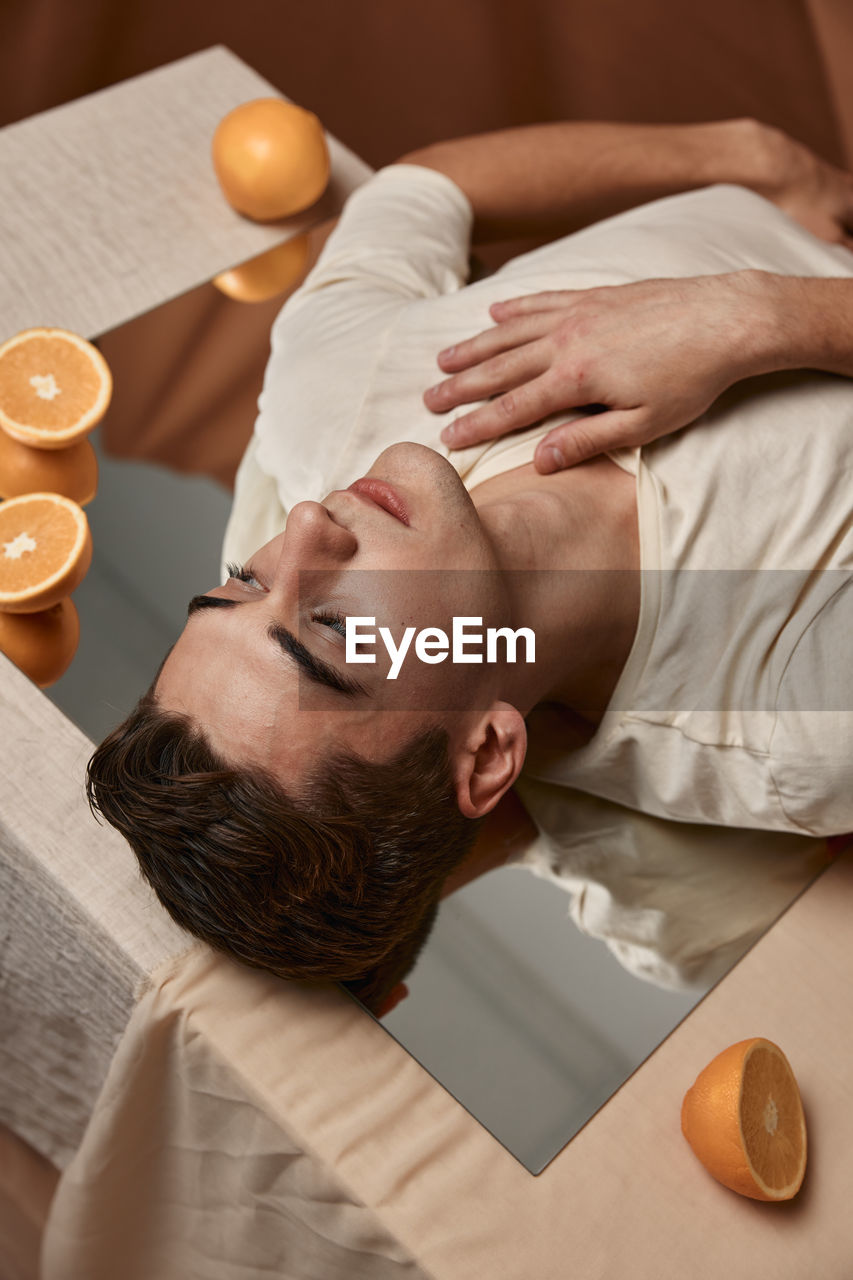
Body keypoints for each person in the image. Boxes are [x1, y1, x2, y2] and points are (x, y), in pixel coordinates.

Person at [87, 117, 853, 1015]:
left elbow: (419, 189)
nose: (303, 528)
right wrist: (761, 317)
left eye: (242, 583)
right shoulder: (795, 726)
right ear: (487, 751)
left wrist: (751, 155)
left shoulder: (327, 402)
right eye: (331, 627)